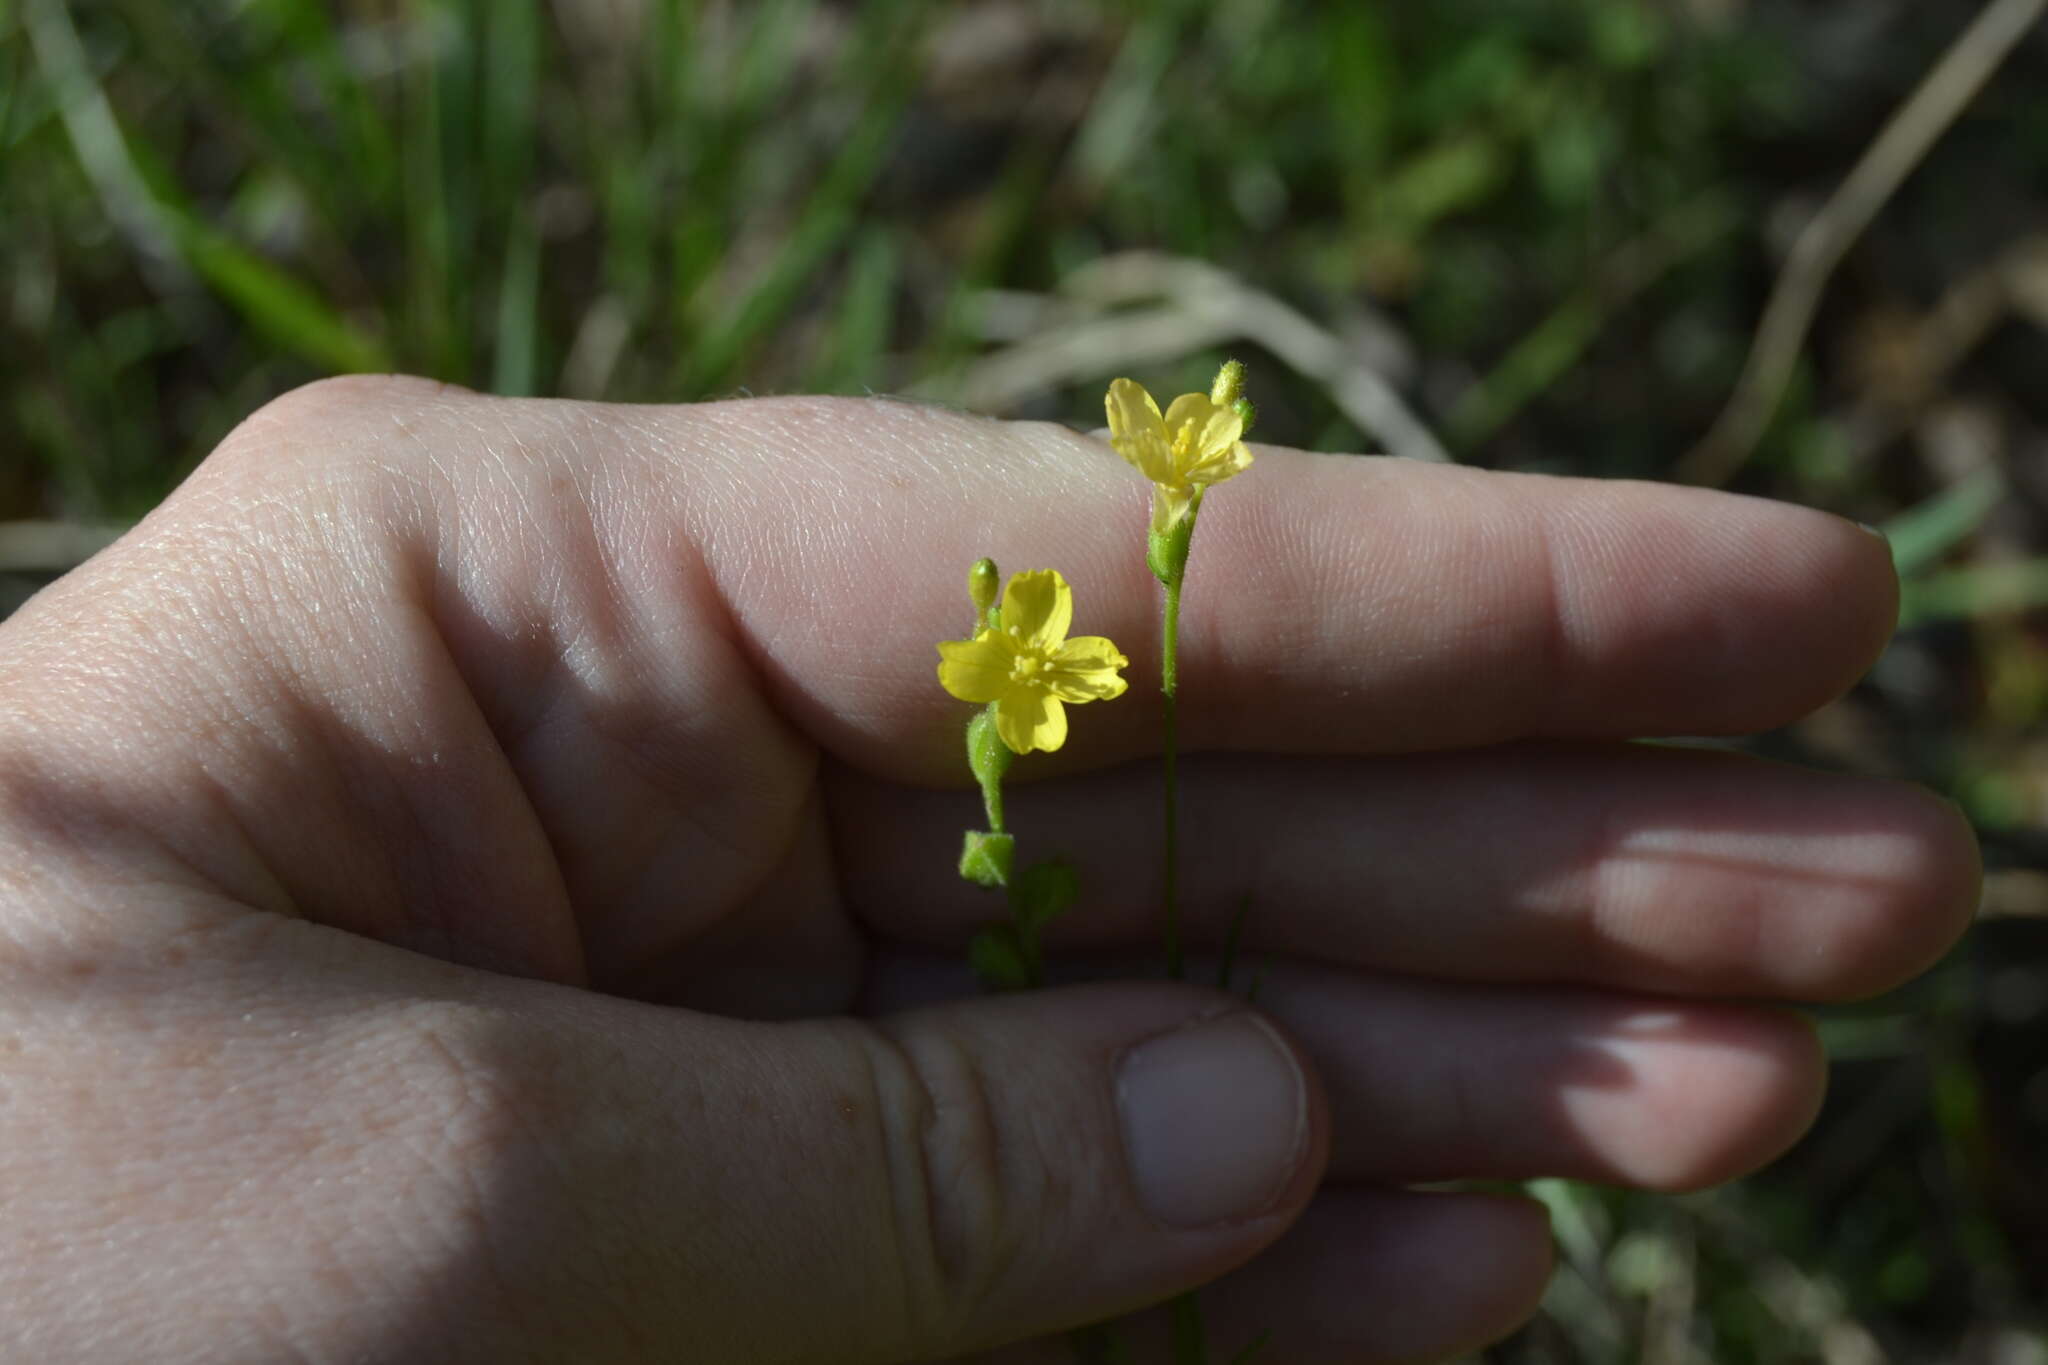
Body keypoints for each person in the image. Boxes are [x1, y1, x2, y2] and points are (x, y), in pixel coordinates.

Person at [0, 376, 1978, 1364]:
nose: (1183, 460)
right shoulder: (1006, 687)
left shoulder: (1085, 644)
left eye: (1188, 453)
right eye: (1174, 453)